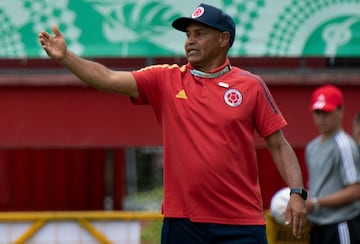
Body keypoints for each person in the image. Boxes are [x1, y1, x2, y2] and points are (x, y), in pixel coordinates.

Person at [39, 3, 307, 243]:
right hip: (183, 223)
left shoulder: (251, 86)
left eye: (200, 34)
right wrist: (66, 57)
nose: (190, 41)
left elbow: (279, 145)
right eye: (188, 35)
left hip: (241, 223)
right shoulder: (165, 79)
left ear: (224, 39)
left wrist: (296, 193)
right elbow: (108, 78)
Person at [305, 84, 360, 244]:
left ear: (340, 111)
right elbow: (320, 187)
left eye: (327, 112)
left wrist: (315, 203)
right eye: (318, 112)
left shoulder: (344, 145)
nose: (322, 118)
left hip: (341, 224)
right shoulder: (312, 147)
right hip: (318, 226)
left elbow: (356, 190)